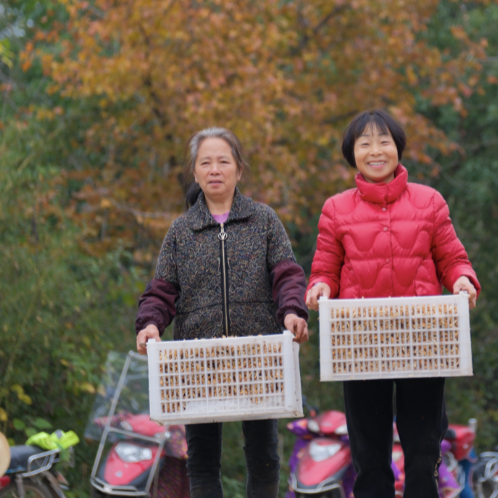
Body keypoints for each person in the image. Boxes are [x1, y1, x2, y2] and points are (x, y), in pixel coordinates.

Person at [305, 109, 480, 498]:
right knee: (369, 457)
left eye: (384, 141)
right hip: (361, 343)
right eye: (364, 143)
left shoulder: (430, 201)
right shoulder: (336, 209)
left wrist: (463, 280)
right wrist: (318, 288)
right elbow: (324, 270)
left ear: (398, 148)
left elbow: (453, 259)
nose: (375, 150)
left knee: (422, 452)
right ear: (352, 153)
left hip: (423, 341)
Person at [135, 127, 309, 498]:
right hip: (198, 360)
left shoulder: (264, 220)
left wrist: (293, 312)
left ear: (239, 170)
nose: (215, 169)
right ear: (195, 173)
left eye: (224, 161)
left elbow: (287, 275)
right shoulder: (181, 231)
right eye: (206, 162)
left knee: (263, 455)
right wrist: (150, 324)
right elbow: (162, 291)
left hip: (257, 356)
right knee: (201, 460)